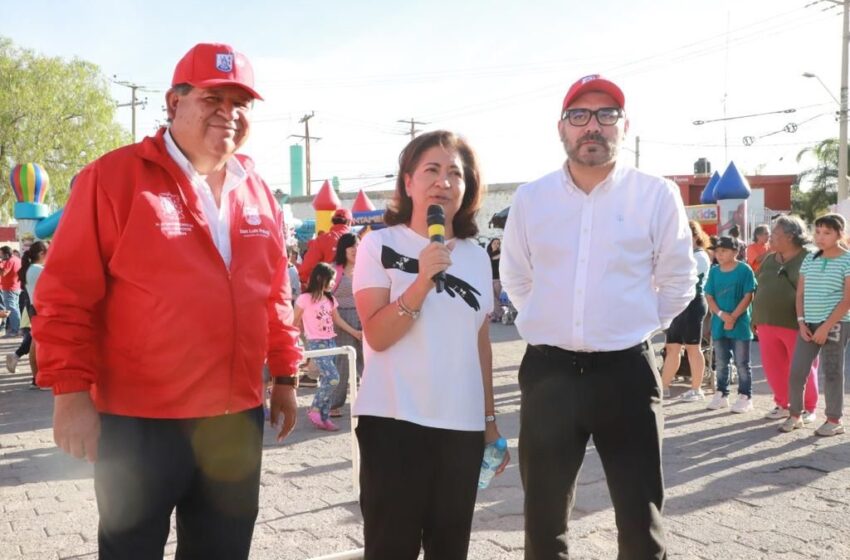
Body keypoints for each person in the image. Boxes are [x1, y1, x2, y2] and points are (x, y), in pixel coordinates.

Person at [31, 43, 303, 560]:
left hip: (234, 419)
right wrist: (69, 394)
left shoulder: (258, 191)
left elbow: (274, 295)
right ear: (173, 102)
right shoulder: (111, 179)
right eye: (212, 99)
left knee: (223, 552)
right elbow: (65, 296)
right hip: (140, 424)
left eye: (240, 103)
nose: (229, 113)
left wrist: (285, 376)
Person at [500, 74, 696, 559]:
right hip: (549, 374)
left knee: (639, 516)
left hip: (625, 373)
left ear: (623, 127)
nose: (593, 126)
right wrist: (556, 323)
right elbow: (517, 279)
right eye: (580, 115)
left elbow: (678, 282)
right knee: (543, 519)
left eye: (607, 115)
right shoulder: (532, 198)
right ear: (561, 128)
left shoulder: (656, 195)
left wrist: (628, 324)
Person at [353, 130, 508, 559]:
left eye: (455, 173)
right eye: (432, 170)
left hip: (460, 428)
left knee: (450, 549)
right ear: (408, 182)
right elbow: (378, 336)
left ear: (467, 187)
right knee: (390, 548)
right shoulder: (378, 245)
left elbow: (480, 344)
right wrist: (421, 282)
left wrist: (489, 421)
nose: (444, 181)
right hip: (393, 422)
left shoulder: (477, 256)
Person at [780, 213, 850, 436]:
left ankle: (834, 420)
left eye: (827, 233)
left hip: (835, 324)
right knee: (797, 371)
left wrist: (826, 326)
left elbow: (847, 300)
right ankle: (795, 415)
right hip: (807, 324)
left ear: (840, 234)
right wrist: (801, 322)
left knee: (832, 372)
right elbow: (800, 294)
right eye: (818, 231)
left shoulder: (847, 260)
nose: (820, 237)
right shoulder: (810, 258)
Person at [752, 215, 818, 423]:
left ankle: (809, 408)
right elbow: (760, 287)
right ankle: (783, 404)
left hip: (799, 323)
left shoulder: (812, 257)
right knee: (773, 367)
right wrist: (755, 317)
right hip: (767, 322)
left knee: (803, 367)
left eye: (775, 234)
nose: (770, 237)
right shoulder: (769, 259)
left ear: (790, 236)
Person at [294, 262, 361, 431]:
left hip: (332, 342)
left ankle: (323, 417)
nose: (333, 283)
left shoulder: (331, 299)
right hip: (317, 344)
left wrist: (355, 333)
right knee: (333, 378)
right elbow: (294, 321)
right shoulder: (304, 299)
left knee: (326, 380)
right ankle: (315, 409)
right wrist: (291, 341)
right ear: (319, 278)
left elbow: (337, 320)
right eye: (331, 280)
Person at [704, 236, 757, 413]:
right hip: (719, 324)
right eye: (717, 251)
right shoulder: (714, 271)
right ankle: (721, 394)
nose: (719, 254)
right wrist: (721, 315)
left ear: (735, 252)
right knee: (721, 362)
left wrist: (732, 317)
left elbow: (748, 295)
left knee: (742, 362)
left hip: (740, 323)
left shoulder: (745, 270)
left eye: (723, 251)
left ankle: (745, 396)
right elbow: (709, 296)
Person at [661, 220, 712, 401]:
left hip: (694, 304)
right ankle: (663, 387)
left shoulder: (700, 256)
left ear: (696, 236)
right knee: (672, 347)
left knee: (693, 348)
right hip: (679, 305)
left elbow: (681, 276)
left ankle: (696, 389)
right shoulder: (686, 254)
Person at [329, 232, 364, 417]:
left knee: (368, 362)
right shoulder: (334, 270)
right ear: (344, 249)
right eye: (351, 246)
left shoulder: (366, 268)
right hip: (341, 319)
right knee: (343, 362)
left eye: (357, 245)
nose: (355, 250)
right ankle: (334, 403)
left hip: (364, 316)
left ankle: (369, 402)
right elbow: (326, 300)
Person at [7, 242, 48, 386]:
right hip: (41, 309)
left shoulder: (31, 269)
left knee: (34, 343)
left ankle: (36, 379)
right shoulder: (38, 269)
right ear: (42, 253)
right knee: (37, 345)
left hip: (34, 308)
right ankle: (38, 379)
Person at [298, 207, 352, 288]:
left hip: (327, 288)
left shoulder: (322, 240)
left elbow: (307, 267)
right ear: (349, 222)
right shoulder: (357, 241)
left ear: (333, 222)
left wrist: (305, 283)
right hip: (353, 288)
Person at [0, 245, 22, 337]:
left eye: (1, 254)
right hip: (15, 287)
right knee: (15, 308)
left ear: (6, 254)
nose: (0, 256)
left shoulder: (10, 261)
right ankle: (18, 328)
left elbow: (3, 273)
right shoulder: (16, 259)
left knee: (11, 309)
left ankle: (15, 330)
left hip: (10, 288)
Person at [486, 238, 503, 322]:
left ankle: (497, 315)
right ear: (491, 244)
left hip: (497, 279)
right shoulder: (487, 254)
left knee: (496, 298)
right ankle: (497, 314)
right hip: (489, 279)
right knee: (492, 298)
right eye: (494, 243)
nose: (496, 244)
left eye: (498, 243)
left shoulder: (500, 255)